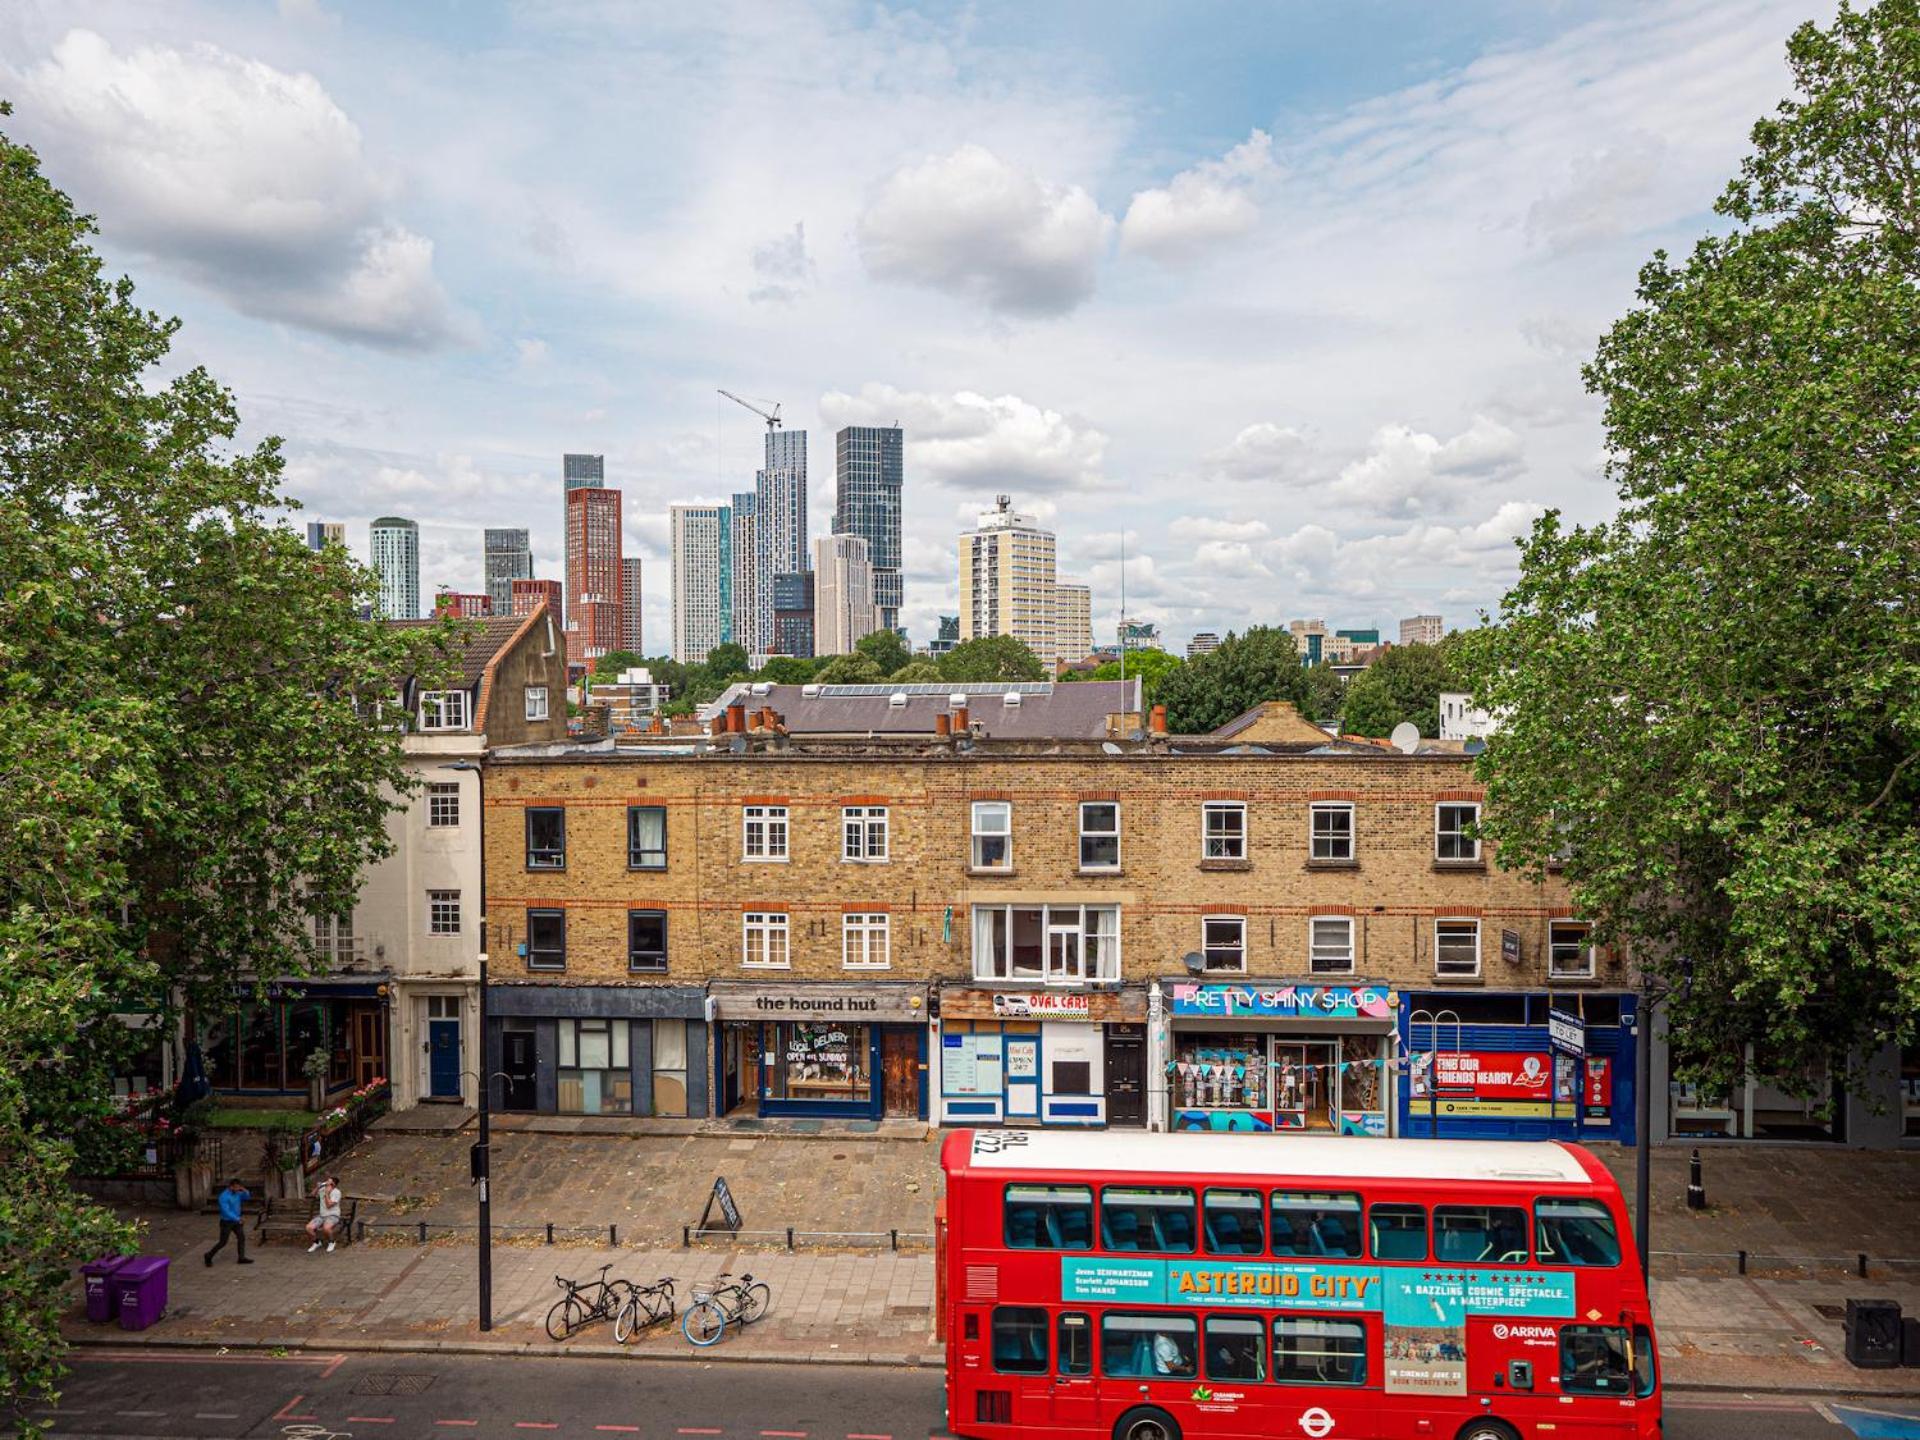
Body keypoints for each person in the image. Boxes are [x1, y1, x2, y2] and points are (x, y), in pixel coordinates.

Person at [205, 1178, 253, 1266]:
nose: (238, 1189)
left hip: (236, 1221)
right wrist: (238, 1219)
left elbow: (247, 1197)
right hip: (226, 1222)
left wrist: (245, 1190)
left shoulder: (238, 1193)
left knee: (241, 1238)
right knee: (223, 1242)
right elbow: (226, 1211)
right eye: (236, 1188)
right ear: (231, 1187)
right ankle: (208, 1255)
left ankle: (241, 1258)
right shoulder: (223, 1196)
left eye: (239, 1187)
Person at [307, 1175, 343, 1253]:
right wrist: (317, 1187)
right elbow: (312, 1195)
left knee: (326, 1228)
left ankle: (332, 1242)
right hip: (322, 1215)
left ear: (333, 1185)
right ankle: (317, 1242)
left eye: (329, 1183)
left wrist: (326, 1193)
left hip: (333, 1215)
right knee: (309, 1228)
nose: (326, 1183)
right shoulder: (322, 1189)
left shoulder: (337, 1192)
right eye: (326, 1182)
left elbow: (329, 1205)